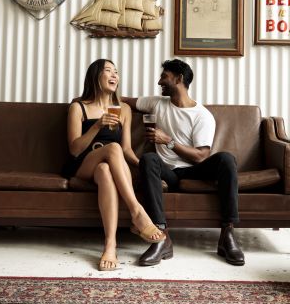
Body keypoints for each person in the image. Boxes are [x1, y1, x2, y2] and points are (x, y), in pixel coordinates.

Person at [123, 59, 245, 267]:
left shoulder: (202, 115)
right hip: (168, 172)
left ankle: (227, 234)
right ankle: (161, 237)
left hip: (195, 170)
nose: (160, 81)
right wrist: (88, 98)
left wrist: (168, 141)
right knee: (149, 158)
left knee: (226, 159)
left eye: (164, 77)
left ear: (179, 79)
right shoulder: (156, 103)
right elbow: (123, 100)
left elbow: (200, 156)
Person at [61, 59, 165, 272]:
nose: (114, 75)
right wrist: (97, 125)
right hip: (83, 164)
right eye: (108, 71)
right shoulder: (78, 107)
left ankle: (110, 245)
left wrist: (145, 169)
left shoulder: (123, 109)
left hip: (109, 165)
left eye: (116, 72)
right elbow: (74, 149)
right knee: (113, 149)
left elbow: (127, 149)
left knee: (106, 169)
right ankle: (137, 212)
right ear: (95, 76)